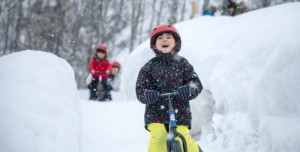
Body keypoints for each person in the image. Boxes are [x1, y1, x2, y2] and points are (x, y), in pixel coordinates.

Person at [135, 24, 203, 152]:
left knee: (182, 138)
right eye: (160, 38)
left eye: (168, 37)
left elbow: (195, 82)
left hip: (180, 111)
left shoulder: (183, 64)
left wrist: (189, 89)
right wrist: (147, 94)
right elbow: (140, 88)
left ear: (175, 43)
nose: (164, 40)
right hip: (156, 113)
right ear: (154, 45)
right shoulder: (149, 67)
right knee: (159, 138)